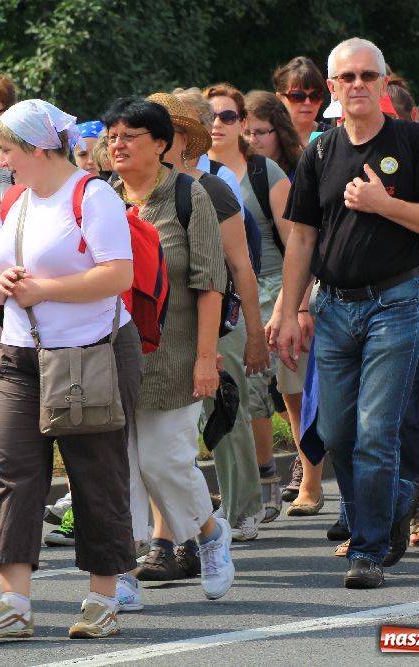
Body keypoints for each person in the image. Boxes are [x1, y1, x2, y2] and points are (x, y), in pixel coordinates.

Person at [276, 37, 419, 589]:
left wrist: (386, 205)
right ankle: (399, 496)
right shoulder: (320, 151)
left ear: (383, 83)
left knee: (376, 430)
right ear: (332, 88)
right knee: (334, 431)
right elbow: (303, 236)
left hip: (396, 303)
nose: (357, 85)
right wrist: (290, 309)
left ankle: (369, 548)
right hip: (332, 307)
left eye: (367, 76)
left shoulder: (412, 141)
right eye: (347, 77)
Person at [0, 99, 143, 639]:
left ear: (41, 149)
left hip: (91, 353)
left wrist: (43, 290)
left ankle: (102, 599)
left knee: (96, 475)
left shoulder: (93, 195)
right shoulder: (16, 198)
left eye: (10, 149)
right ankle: (14, 603)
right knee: (11, 476)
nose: (3, 159)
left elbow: (118, 275)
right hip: (19, 356)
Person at [100, 96, 233, 607]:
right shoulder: (103, 198)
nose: (118, 144)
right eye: (113, 136)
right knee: (120, 467)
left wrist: (205, 359)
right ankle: (124, 569)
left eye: (130, 136)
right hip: (111, 356)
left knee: (163, 462)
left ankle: (210, 535)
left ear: (161, 145)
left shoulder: (187, 195)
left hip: (174, 356)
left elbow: (209, 281)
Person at [136, 91, 264, 582]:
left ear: (180, 138)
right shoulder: (124, 190)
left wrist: (255, 334)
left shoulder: (210, 190)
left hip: (214, 326)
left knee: (220, 425)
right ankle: (169, 542)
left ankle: (241, 510)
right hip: (148, 341)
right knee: (162, 450)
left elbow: (238, 268)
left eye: (156, 129)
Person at [207, 83, 305, 528]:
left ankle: (271, 475)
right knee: (246, 392)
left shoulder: (266, 173)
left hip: (271, 286)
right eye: (211, 116)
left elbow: (296, 245)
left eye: (228, 116)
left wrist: (295, 304)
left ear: (242, 123)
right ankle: (260, 477)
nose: (218, 124)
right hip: (226, 295)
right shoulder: (199, 173)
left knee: (273, 391)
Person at [245, 90, 304, 177]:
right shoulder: (231, 173)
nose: (252, 140)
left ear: (281, 133)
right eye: (246, 133)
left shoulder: (302, 175)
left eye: (261, 132)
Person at [272, 56, 330, 146]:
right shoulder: (268, 138)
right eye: (297, 96)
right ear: (280, 98)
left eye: (315, 96)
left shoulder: (333, 138)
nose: (307, 102)